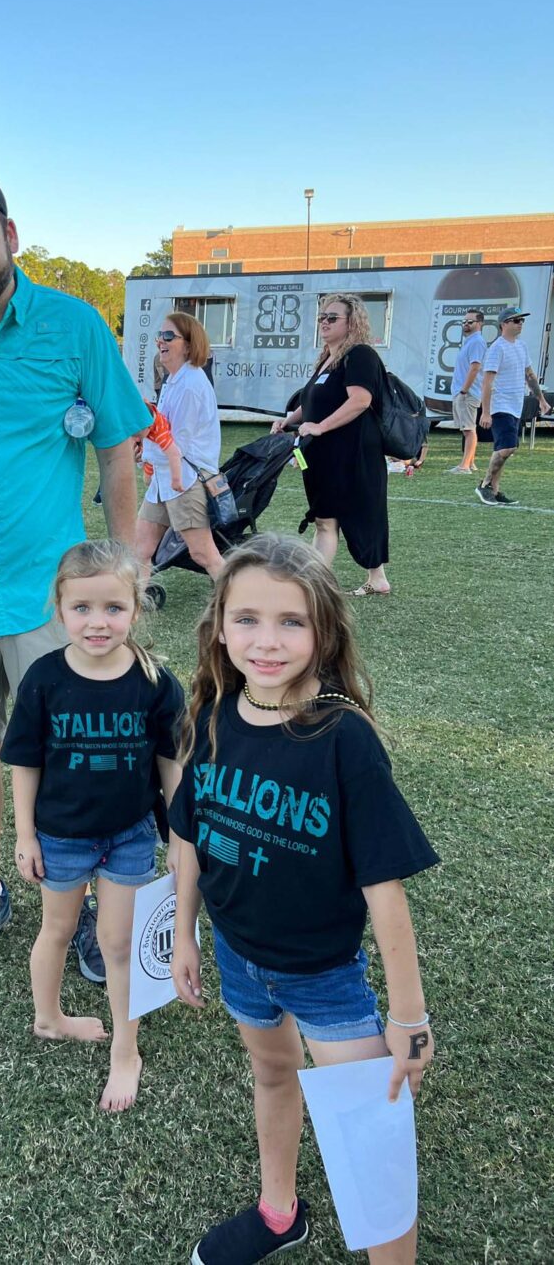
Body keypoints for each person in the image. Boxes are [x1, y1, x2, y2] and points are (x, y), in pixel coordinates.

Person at [169, 534, 438, 1265]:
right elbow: (189, 837)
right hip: (236, 954)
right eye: (247, 619)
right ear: (219, 625)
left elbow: (384, 892)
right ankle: (279, 1211)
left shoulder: (342, 737)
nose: (265, 640)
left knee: (369, 1136)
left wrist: (408, 1014)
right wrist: (183, 933)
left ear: (323, 632)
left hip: (323, 975)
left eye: (290, 622)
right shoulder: (215, 713)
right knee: (270, 1073)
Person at [0, 159, 151, 972]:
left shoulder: (74, 324)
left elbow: (116, 446)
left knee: (71, 751)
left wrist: (124, 563)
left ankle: (79, 899)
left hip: (54, 595)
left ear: (9, 235)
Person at [2, 540, 183, 1111]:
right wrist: (25, 834)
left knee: (118, 944)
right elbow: (25, 763)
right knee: (55, 931)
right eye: (81, 608)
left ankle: (125, 1050)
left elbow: (171, 764)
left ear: (136, 608)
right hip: (60, 835)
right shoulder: (43, 679)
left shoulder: (156, 681)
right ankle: (49, 1018)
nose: (97, 622)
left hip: (131, 834)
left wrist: (180, 837)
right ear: (59, 610)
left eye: (113, 608)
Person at [271, 293, 391, 598]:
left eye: (332, 317)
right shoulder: (327, 358)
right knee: (326, 517)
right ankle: (363, 579)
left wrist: (320, 427)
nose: (324, 322)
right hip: (323, 452)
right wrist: (289, 420)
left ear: (353, 322)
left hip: (350, 452)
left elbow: (361, 401)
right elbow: (311, 400)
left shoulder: (360, 355)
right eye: (321, 317)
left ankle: (320, 581)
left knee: (346, 516)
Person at [134, 313, 225, 583]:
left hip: (185, 481)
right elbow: (163, 435)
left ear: (188, 344)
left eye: (169, 336)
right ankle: (135, 604)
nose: (161, 341)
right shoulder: (175, 380)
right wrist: (145, 452)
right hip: (165, 481)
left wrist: (146, 446)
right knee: (139, 549)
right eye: (159, 336)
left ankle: (240, 604)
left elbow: (178, 444)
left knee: (204, 554)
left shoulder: (189, 384)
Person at [476, 306, 550, 506]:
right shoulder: (497, 348)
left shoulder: (521, 346)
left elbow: (530, 375)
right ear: (504, 324)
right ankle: (485, 485)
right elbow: (487, 382)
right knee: (508, 447)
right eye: (516, 320)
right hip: (501, 406)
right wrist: (486, 411)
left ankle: (496, 491)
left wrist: (541, 400)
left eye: (522, 321)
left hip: (515, 406)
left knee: (503, 449)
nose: (520, 324)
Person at [448, 308, 485, 474]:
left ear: (479, 324)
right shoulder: (470, 341)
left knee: (469, 429)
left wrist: (464, 390)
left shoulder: (477, 341)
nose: (466, 325)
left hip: (467, 392)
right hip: (462, 391)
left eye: (470, 322)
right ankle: (470, 463)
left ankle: (464, 466)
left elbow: (475, 367)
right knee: (467, 429)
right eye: (464, 322)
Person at [137, 397, 185, 492]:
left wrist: (176, 480)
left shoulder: (160, 433)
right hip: (147, 452)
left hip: (155, 461)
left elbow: (174, 454)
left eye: (137, 435)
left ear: (149, 428)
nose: (136, 438)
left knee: (147, 480)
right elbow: (144, 400)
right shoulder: (145, 410)